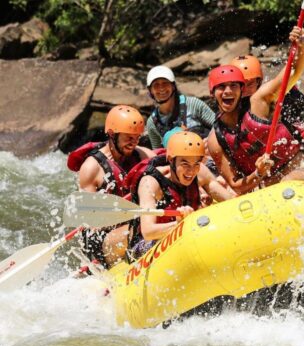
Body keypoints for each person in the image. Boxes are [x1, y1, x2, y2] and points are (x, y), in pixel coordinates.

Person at [207, 27, 304, 195]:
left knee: (287, 183)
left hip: (301, 165)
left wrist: (302, 45)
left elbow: (292, 72)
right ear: (212, 93)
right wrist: (258, 173)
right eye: (221, 87)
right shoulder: (215, 139)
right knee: (274, 188)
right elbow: (236, 184)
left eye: (233, 86)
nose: (227, 91)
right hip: (267, 183)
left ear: (241, 90)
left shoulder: (259, 102)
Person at [103, 131, 234, 264]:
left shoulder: (200, 173)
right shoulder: (150, 183)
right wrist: (179, 224)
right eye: (185, 164)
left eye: (196, 164)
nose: (191, 171)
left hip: (185, 232)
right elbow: (148, 231)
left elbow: (231, 201)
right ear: (171, 160)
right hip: (147, 243)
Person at [230, 49, 304, 181]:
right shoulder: (231, 115)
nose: (245, 90)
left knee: (289, 180)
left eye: (250, 84)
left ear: (259, 82)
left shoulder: (285, 95)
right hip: (279, 167)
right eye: (240, 85)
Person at [67, 105, 155, 267]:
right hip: (102, 241)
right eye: (129, 137)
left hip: (134, 224)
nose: (133, 142)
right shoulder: (92, 168)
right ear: (112, 134)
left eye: (136, 137)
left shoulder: (142, 155)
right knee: (141, 225)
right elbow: (89, 219)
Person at [146, 65, 216, 149]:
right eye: (156, 85)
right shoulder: (152, 123)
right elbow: (157, 153)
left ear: (173, 86)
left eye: (165, 83)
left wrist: (209, 141)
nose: (161, 88)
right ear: (151, 90)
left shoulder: (193, 104)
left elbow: (219, 127)